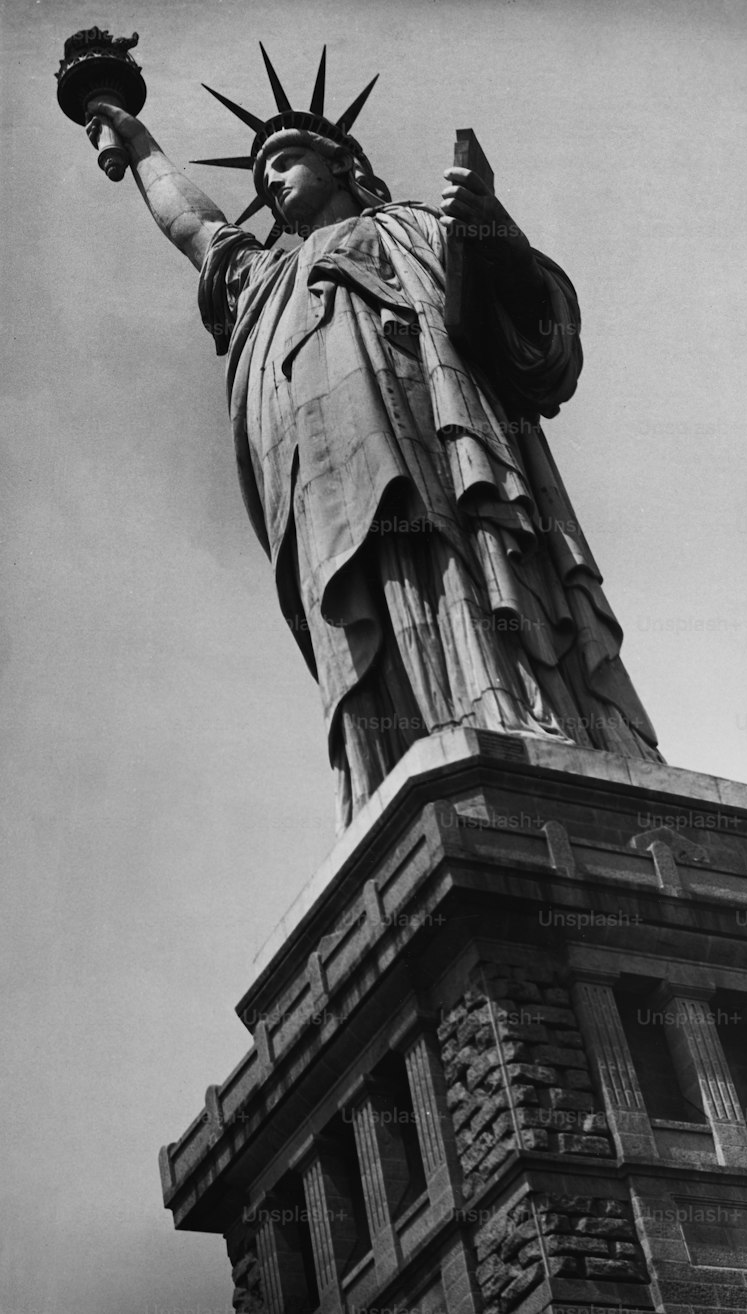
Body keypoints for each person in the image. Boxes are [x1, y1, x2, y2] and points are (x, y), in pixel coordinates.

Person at [87, 83, 660, 834]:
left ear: (344, 164)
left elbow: (532, 330)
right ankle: (402, 759)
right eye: (262, 176)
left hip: (438, 447)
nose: (271, 181)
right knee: (372, 608)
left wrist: (502, 244)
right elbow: (198, 226)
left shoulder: (414, 227)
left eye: (286, 160)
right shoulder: (263, 282)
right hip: (326, 490)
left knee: (468, 571)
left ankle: (516, 713)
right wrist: (135, 142)